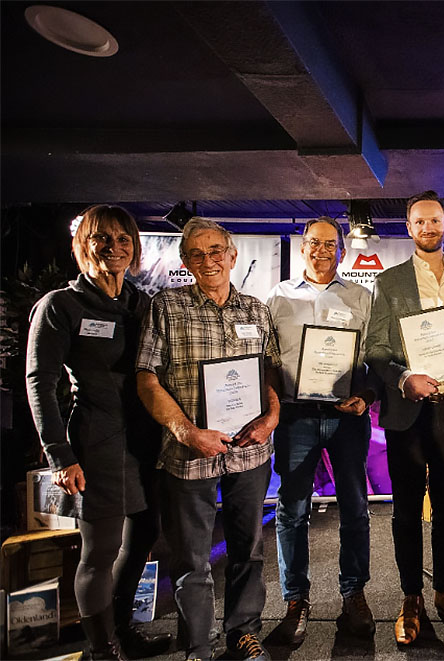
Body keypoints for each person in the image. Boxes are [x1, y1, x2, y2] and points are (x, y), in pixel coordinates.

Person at [26, 205, 172, 660]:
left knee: (145, 536)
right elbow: (39, 382)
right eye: (101, 238)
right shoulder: (61, 306)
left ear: (135, 248)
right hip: (96, 442)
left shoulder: (140, 303)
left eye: (123, 239)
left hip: (146, 441)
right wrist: (60, 455)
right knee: (100, 550)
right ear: (82, 244)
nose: (113, 248)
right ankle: (101, 650)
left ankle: (123, 632)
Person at [136, 218, 282, 661]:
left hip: (249, 452)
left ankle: (243, 630)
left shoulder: (256, 309)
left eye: (216, 250)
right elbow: (146, 378)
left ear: (233, 256)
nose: (208, 260)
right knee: (192, 561)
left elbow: (270, 373)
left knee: (248, 551)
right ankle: (198, 646)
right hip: (189, 455)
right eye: (196, 254)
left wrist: (272, 417)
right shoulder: (166, 306)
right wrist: (187, 431)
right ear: (185, 262)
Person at [365, 191, 444, 644]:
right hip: (407, 412)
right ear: (408, 227)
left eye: (435, 221)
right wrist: (403, 377)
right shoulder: (390, 282)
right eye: (419, 222)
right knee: (407, 512)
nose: (428, 228)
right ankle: (410, 596)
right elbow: (375, 350)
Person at [265, 217, 377, 644]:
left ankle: (354, 594)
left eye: (330, 244)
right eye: (314, 243)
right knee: (292, 511)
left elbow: (374, 357)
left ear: (342, 251)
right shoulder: (277, 297)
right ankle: (296, 600)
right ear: (302, 247)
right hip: (295, 417)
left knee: (355, 507)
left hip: (348, 417)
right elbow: (268, 361)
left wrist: (365, 396)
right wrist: (273, 407)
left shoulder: (361, 297)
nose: (321, 250)